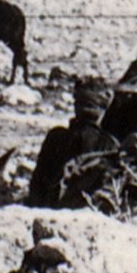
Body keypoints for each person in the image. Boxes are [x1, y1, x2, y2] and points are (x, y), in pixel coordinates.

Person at [26, 77, 117, 205]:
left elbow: (36, 185)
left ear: (76, 106)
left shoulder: (56, 136)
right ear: (103, 110)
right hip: (85, 208)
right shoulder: (109, 144)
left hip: (47, 205)